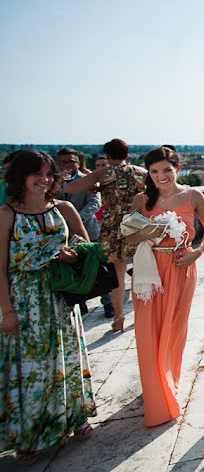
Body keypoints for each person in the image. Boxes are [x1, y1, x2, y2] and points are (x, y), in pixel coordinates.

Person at [0, 150, 96, 464]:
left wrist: (72, 254)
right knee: (31, 370)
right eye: (36, 174)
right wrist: (7, 311)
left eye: (49, 174)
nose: (44, 180)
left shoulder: (64, 208)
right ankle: (31, 437)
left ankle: (73, 419)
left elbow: (86, 245)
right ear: (20, 177)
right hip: (25, 300)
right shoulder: (6, 215)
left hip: (60, 296)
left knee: (65, 359)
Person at [123, 147, 204, 426]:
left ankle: (169, 380)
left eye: (166, 170)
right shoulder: (141, 200)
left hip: (182, 268)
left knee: (175, 328)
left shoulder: (192, 195)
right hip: (149, 272)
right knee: (148, 331)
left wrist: (197, 252)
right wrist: (149, 231)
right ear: (148, 173)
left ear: (177, 168)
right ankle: (156, 393)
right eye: (154, 171)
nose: (160, 176)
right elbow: (127, 239)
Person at [60, 139, 146, 332]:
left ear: (107, 156)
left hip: (114, 225)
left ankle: (118, 315)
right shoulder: (140, 172)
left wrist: (99, 185)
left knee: (117, 274)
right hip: (138, 221)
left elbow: (70, 188)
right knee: (143, 267)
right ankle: (144, 311)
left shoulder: (104, 173)